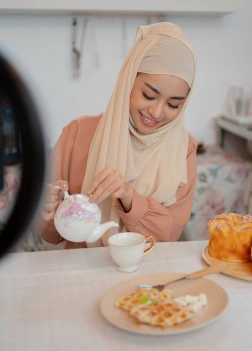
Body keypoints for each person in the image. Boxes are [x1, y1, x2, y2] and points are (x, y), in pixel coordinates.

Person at [37, 21, 197, 248]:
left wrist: (129, 197)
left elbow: (168, 235)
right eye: (149, 95)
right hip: (85, 275)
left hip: (149, 274)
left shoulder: (184, 149)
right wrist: (47, 211)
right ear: (128, 81)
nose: (157, 112)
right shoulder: (77, 134)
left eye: (174, 104)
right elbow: (51, 234)